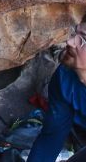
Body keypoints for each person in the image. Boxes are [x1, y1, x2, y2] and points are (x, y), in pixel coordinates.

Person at [28, 18, 86, 161]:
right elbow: (51, 137)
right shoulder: (64, 77)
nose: (70, 42)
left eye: (83, 39)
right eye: (74, 34)